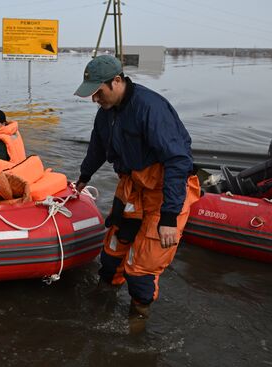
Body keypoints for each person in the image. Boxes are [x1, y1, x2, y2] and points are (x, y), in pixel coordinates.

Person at [73, 55, 200, 331]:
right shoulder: (106, 112)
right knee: (111, 256)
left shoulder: (150, 108)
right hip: (133, 188)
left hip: (165, 192)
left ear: (116, 81)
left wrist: (168, 217)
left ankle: (136, 330)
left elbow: (178, 161)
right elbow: (97, 146)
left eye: (98, 92)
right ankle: (100, 307)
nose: (95, 99)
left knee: (141, 271)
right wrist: (83, 177)